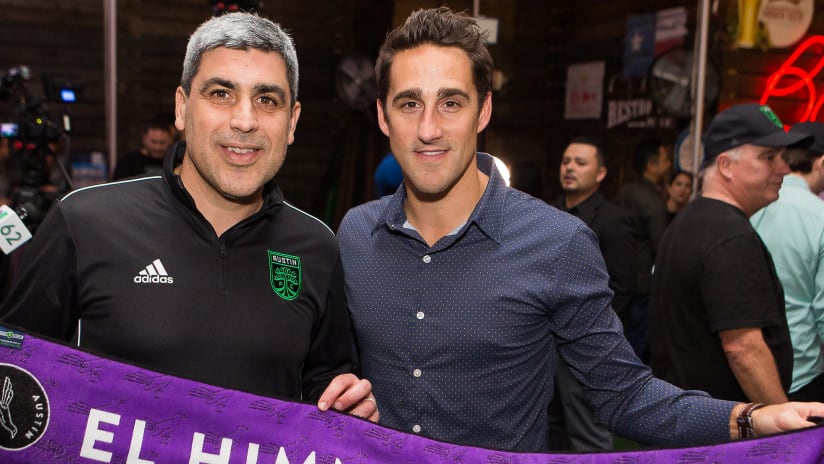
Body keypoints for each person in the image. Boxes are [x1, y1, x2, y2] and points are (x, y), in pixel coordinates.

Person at [336, 7, 824, 453]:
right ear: (382, 115)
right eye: (408, 104)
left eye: (450, 103)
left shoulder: (555, 243)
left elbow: (624, 394)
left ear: (482, 111)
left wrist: (751, 418)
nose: (428, 129)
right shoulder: (355, 236)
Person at [0, 12, 376, 420]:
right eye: (221, 94)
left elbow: (326, 389)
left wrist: (347, 411)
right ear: (181, 108)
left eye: (267, 100)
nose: (245, 120)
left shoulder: (318, 247)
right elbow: (15, 380)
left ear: (292, 122)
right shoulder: (84, 223)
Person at [649, 103, 810, 405]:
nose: (785, 169)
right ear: (725, 165)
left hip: (687, 415)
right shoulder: (729, 236)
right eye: (768, 157)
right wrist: (781, 422)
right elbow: (743, 348)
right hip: (723, 429)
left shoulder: (689, 220)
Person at [549, 136, 636, 451]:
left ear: (600, 174)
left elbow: (623, 288)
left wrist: (588, 333)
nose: (570, 168)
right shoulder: (544, 213)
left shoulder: (615, 220)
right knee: (548, 430)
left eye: (580, 163)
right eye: (566, 161)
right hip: (543, 344)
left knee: (587, 435)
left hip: (584, 345)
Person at [750, 120, 824, 402]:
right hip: (802, 374)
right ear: (821, 163)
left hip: (742, 368)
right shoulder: (819, 216)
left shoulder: (747, 203)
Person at [617, 137, 671, 361]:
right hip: (641, 285)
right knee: (636, 347)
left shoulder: (624, 191)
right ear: (651, 166)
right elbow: (662, 246)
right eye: (665, 159)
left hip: (619, 278)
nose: (668, 164)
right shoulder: (653, 202)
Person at [111, 116, 175, 180]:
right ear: (144, 139)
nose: (157, 147)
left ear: (170, 141)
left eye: (162, 143)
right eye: (153, 142)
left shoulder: (173, 163)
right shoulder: (128, 162)